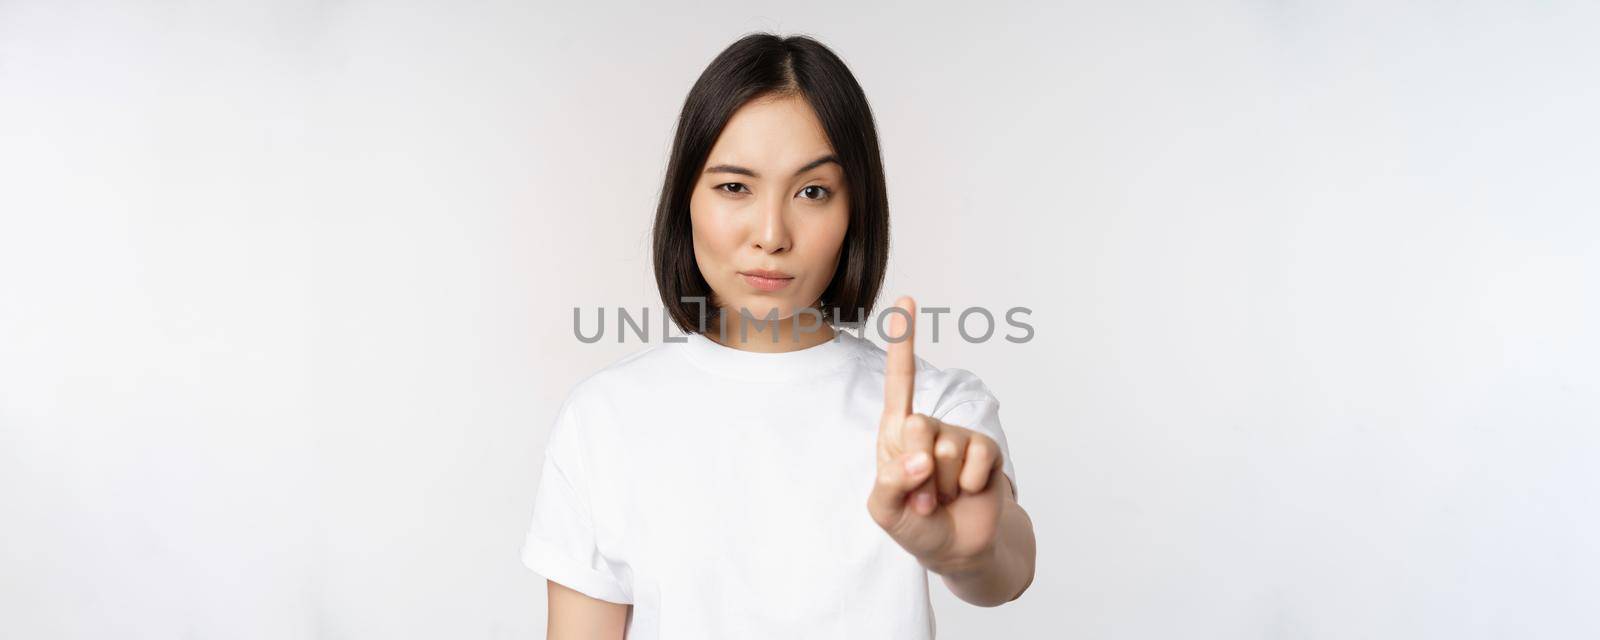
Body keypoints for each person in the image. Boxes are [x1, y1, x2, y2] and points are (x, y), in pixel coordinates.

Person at [520, 32, 1036, 639]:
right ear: (685, 198)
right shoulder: (603, 418)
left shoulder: (935, 413)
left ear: (855, 211)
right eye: (734, 186)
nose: (771, 233)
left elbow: (1006, 568)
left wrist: (966, 552)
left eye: (812, 191)